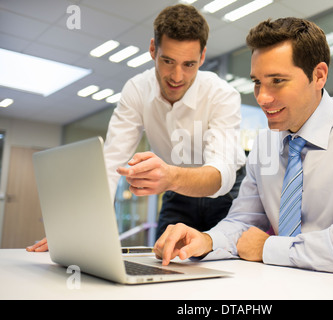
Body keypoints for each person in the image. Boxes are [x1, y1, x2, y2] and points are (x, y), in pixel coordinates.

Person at [154, 17, 333, 279]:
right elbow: (244, 221)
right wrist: (206, 240)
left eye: (277, 81)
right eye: (257, 82)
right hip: (292, 284)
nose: (262, 97)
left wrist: (267, 247)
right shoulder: (267, 143)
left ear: (318, 76)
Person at [26, 4, 246, 252]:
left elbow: (223, 174)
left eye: (189, 64)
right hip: (175, 191)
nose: (176, 76)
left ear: (202, 57)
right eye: (168, 61)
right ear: (153, 49)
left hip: (228, 192)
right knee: (166, 260)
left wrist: (171, 176)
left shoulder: (222, 94)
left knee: (226, 262)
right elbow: (111, 163)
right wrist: (80, 230)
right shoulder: (136, 90)